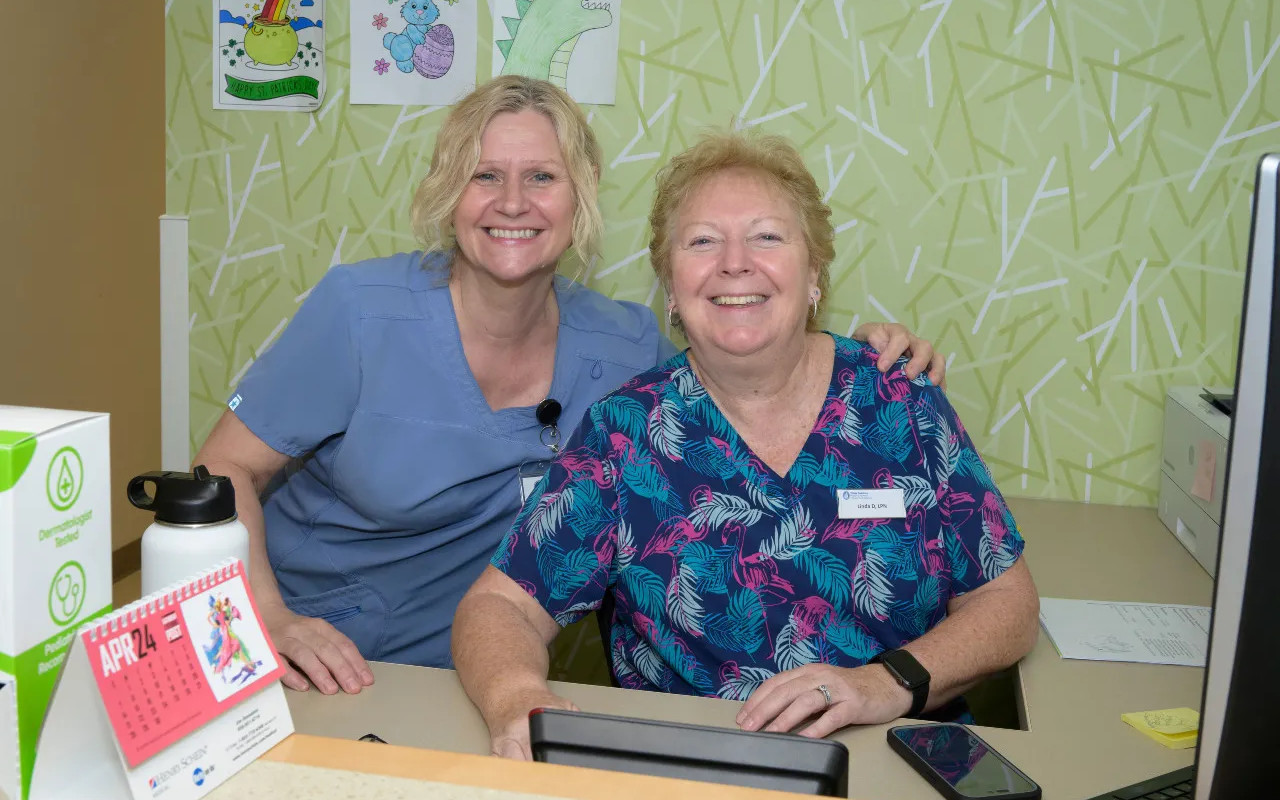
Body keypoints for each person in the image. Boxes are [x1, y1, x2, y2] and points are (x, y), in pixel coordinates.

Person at [193, 76, 947, 698]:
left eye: (541, 177)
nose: (513, 202)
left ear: (579, 196)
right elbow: (220, 469)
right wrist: (265, 615)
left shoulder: (623, 346)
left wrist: (868, 352)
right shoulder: (358, 314)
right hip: (303, 652)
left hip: (471, 673)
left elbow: (739, 354)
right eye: (484, 176)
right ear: (448, 193)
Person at [450, 130, 1039, 760]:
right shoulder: (627, 434)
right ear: (670, 288)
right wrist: (516, 695)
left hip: (896, 761)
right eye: (703, 241)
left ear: (814, 272)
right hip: (700, 767)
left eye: (767, 236)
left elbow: (1007, 601)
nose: (735, 263)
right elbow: (498, 606)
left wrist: (884, 683)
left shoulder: (900, 398)